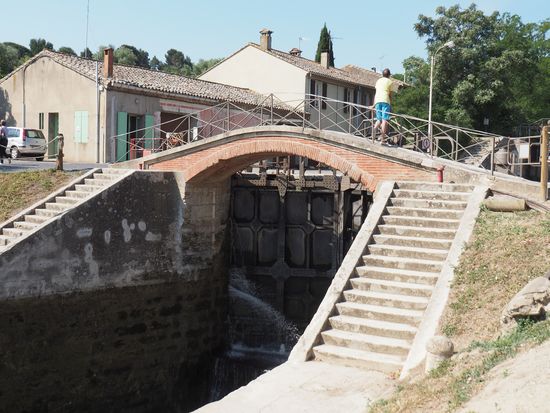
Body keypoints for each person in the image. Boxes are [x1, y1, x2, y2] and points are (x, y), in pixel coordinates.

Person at [372, 68, 393, 145]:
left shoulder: (378, 81)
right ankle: (382, 139)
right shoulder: (390, 82)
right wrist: (391, 104)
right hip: (385, 101)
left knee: (379, 119)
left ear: (382, 74)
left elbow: (376, 93)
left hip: (377, 101)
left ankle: (374, 128)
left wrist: (374, 104)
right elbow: (390, 95)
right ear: (389, 75)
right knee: (385, 120)